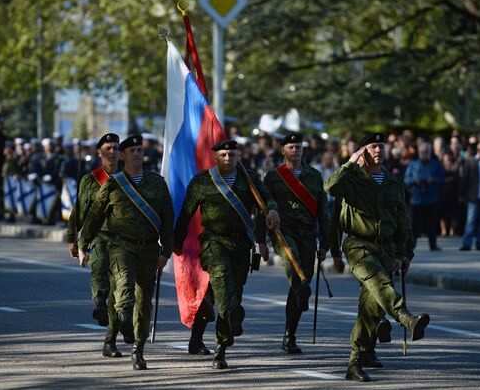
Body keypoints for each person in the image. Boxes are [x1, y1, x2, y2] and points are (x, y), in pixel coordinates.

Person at [326, 133, 430, 383]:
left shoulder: (394, 182)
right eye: (372, 146)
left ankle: (355, 362)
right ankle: (404, 316)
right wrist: (350, 163)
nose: (378, 150)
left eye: (381, 146)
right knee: (379, 284)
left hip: (387, 249)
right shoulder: (351, 179)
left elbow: (403, 221)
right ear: (362, 151)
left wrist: (406, 253)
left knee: (371, 307)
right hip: (359, 245)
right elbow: (330, 187)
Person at [173, 139, 280, 370]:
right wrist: (176, 242)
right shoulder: (203, 181)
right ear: (215, 157)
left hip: (241, 245)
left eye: (232, 155)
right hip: (213, 241)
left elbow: (266, 199)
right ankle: (226, 331)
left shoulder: (249, 179)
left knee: (225, 292)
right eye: (223, 155)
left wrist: (272, 210)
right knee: (221, 276)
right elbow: (186, 213)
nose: (228, 159)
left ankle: (214, 343)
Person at [78, 135, 174, 370]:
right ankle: (123, 319)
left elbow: (168, 219)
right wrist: (83, 243)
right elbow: (95, 215)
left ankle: (137, 349)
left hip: (150, 249)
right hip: (121, 246)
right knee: (124, 289)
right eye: (132, 151)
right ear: (123, 156)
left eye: (140, 150)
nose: (137, 154)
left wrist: (167, 251)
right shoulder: (114, 183)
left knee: (144, 302)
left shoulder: (157, 183)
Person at [262, 133, 330, 354]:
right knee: (295, 266)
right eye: (291, 147)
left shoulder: (314, 176)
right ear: (283, 150)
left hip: (308, 235)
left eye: (298, 147)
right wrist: (260, 240)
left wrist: (325, 243)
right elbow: (263, 208)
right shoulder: (273, 177)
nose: (295, 150)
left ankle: (289, 335)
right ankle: (300, 287)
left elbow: (323, 212)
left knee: (301, 287)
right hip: (284, 232)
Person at [67, 133, 123, 358]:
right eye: (108, 147)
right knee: (99, 264)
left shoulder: (129, 178)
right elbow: (78, 211)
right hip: (99, 235)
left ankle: (112, 338)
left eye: (116, 148)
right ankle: (100, 302)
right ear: (99, 153)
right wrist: (72, 238)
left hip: (125, 240)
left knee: (122, 295)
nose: (112, 151)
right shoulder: (90, 181)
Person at [404, 142, 445, 251]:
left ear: (430, 153)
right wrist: (414, 181)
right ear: (419, 153)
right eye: (422, 152)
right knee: (414, 225)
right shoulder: (413, 164)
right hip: (417, 200)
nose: (424, 154)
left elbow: (442, 178)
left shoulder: (436, 164)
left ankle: (433, 245)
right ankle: (411, 245)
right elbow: (406, 180)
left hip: (431, 199)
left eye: (426, 152)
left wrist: (433, 180)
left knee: (432, 224)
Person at [459, 142, 480, 251]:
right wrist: (461, 194)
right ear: (477, 150)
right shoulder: (470, 161)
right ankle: (467, 244)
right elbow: (464, 179)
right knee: (471, 221)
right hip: (474, 196)